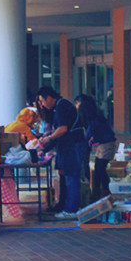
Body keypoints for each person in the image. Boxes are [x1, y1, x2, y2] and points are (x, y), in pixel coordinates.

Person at [37, 86, 86, 219]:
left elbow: (63, 129)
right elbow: (60, 129)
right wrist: (47, 141)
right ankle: (68, 206)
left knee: (72, 177)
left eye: (42, 101)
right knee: (68, 176)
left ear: (48, 98)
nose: (42, 105)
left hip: (73, 145)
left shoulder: (61, 106)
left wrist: (49, 138)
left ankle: (71, 210)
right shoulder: (60, 105)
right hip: (69, 146)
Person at [76, 95, 117, 201]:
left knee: (100, 168)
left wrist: (85, 141)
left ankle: (104, 191)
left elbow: (88, 135)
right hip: (105, 144)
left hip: (106, 145)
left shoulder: (94, 121)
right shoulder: (97, 118)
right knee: (98, 168)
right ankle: (98, 192)